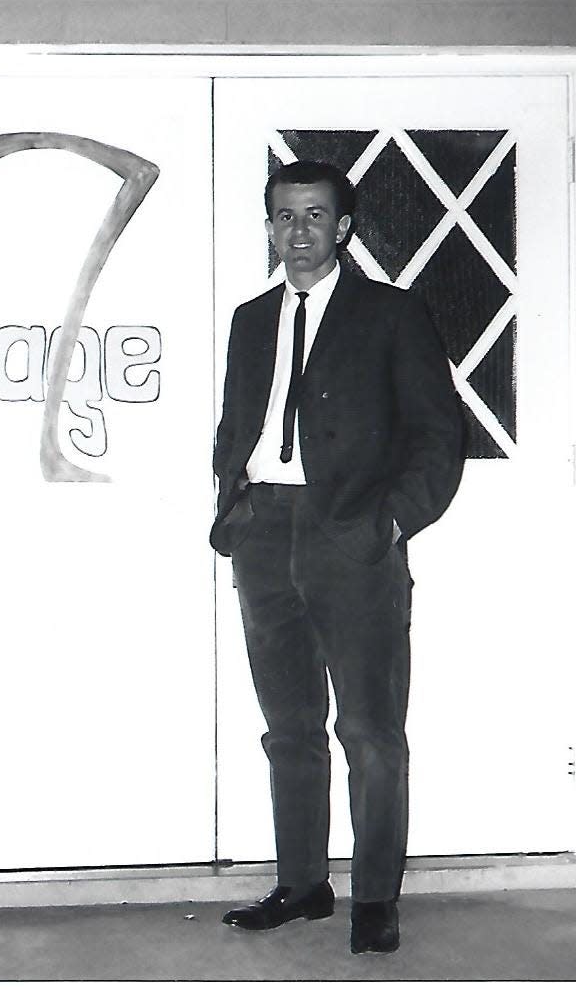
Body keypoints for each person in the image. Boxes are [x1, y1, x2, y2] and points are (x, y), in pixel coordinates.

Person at [210, 160, 463, 954]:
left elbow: (437, 434)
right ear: (270, 226)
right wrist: (233, 505)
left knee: (368, 727)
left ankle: (375, 897)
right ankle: (302, 883)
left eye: (314, 215)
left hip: (351, 533)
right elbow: (235, 423)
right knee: (288, 726)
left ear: (342, 226)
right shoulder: (251, 319)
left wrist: (388, 524)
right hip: (263, 530)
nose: (298, 231)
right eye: (284, 216)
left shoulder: (390, 313)